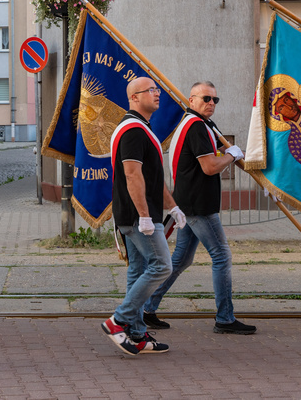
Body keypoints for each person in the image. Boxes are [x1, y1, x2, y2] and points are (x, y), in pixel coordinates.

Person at [141, 81, 255, 335]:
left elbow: (220, 154)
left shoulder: (202, 124)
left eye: (215, 100)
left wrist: (237, 158)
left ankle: (146, 308)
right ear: (191, 100)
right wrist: (232, 156)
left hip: (190, 202)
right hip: (198, 206)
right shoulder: (196, 127)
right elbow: (210, 167)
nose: (211, 103)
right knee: (222, 256)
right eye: (205, 98)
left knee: (180, 260)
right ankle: (225, 318)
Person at [101, 77, 184, 355]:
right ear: (134, 98)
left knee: (138, 271)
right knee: (162, 266)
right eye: (151, 90)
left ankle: (136, 335)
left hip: (136, 214)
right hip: (138, 217)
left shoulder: (143, 128)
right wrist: (146, 216)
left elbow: (152, 178)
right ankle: (119, 320)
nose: (157, 94)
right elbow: (132, 174)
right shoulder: (133, 130)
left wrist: (172, 206)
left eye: (157, 89)